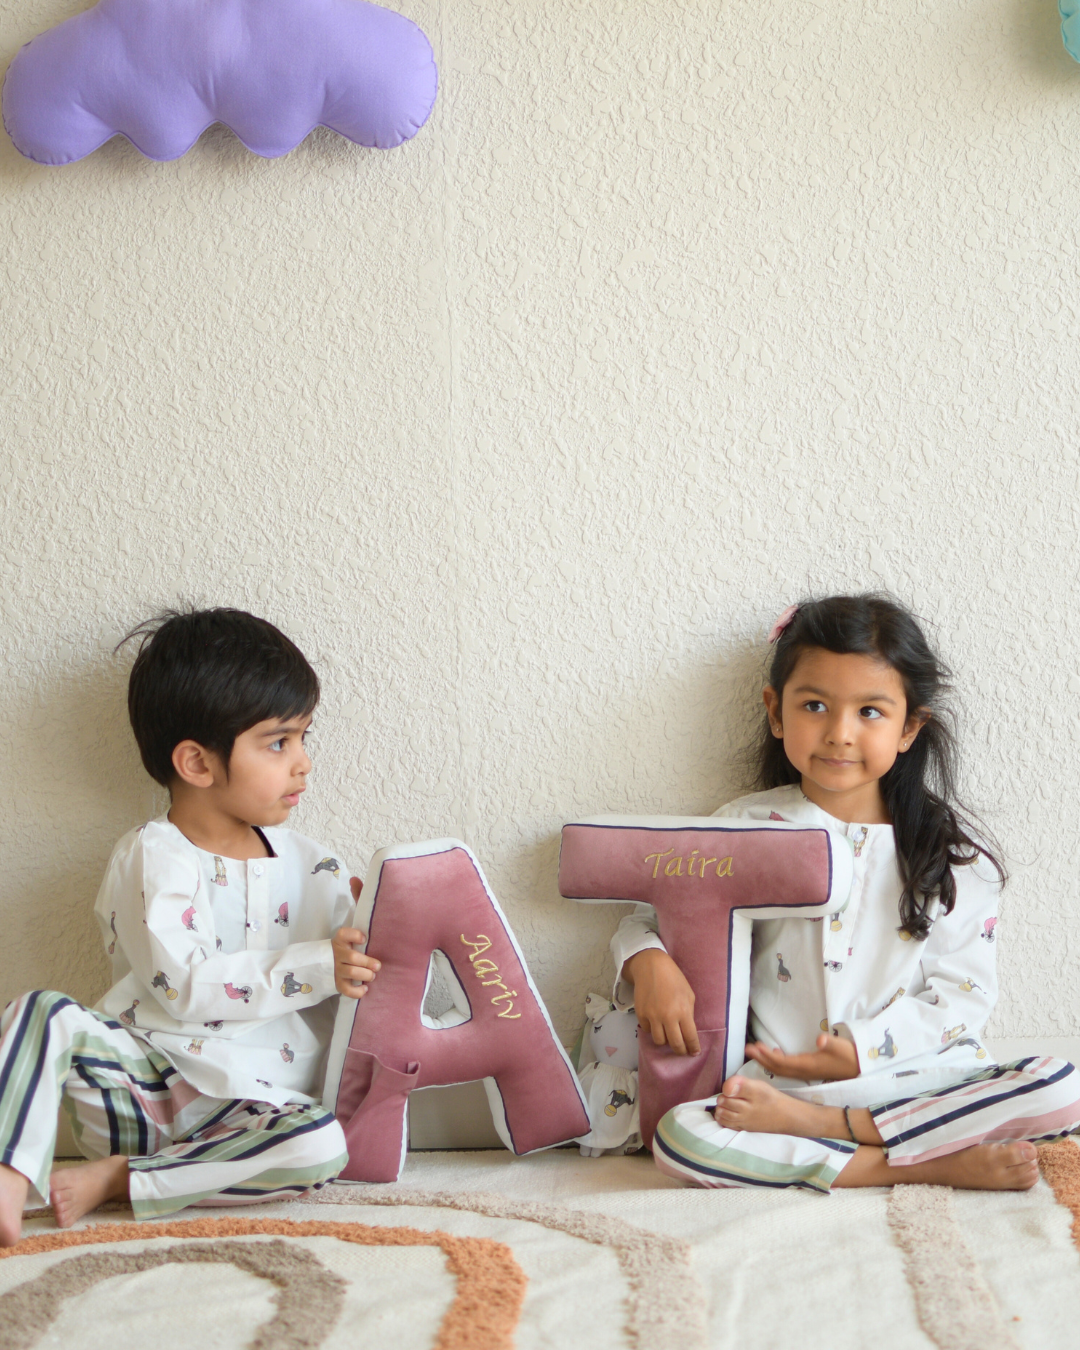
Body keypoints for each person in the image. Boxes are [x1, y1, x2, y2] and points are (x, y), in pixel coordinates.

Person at [614, 594, 1080, 1192]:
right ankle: (926, 1164)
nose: (839, 733)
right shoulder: (743, 830)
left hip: (916, 1080)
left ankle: (832, 1128)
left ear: (910, 726)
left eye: (870, 712)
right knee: (680, 1139)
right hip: (779, 1091)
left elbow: (962, 998)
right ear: (775, 712)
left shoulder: (950, 857)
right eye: (814, 706)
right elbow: (650, 915)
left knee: (1060, 1085)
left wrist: (859, 1051)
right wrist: (647, 963)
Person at [0, 608, 380, 1245]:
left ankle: (125, 1180)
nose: (304, 763)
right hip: (144, 1083)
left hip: (246, 1112)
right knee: (39, 1012)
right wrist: (320, 965)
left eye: (304, 737)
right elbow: (184, 986)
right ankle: (10, 1174)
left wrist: (375, 926)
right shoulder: (155, 855)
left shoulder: (316, 864)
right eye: (279, 742)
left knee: (317, 1143)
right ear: (198, 764)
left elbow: (364, 982)